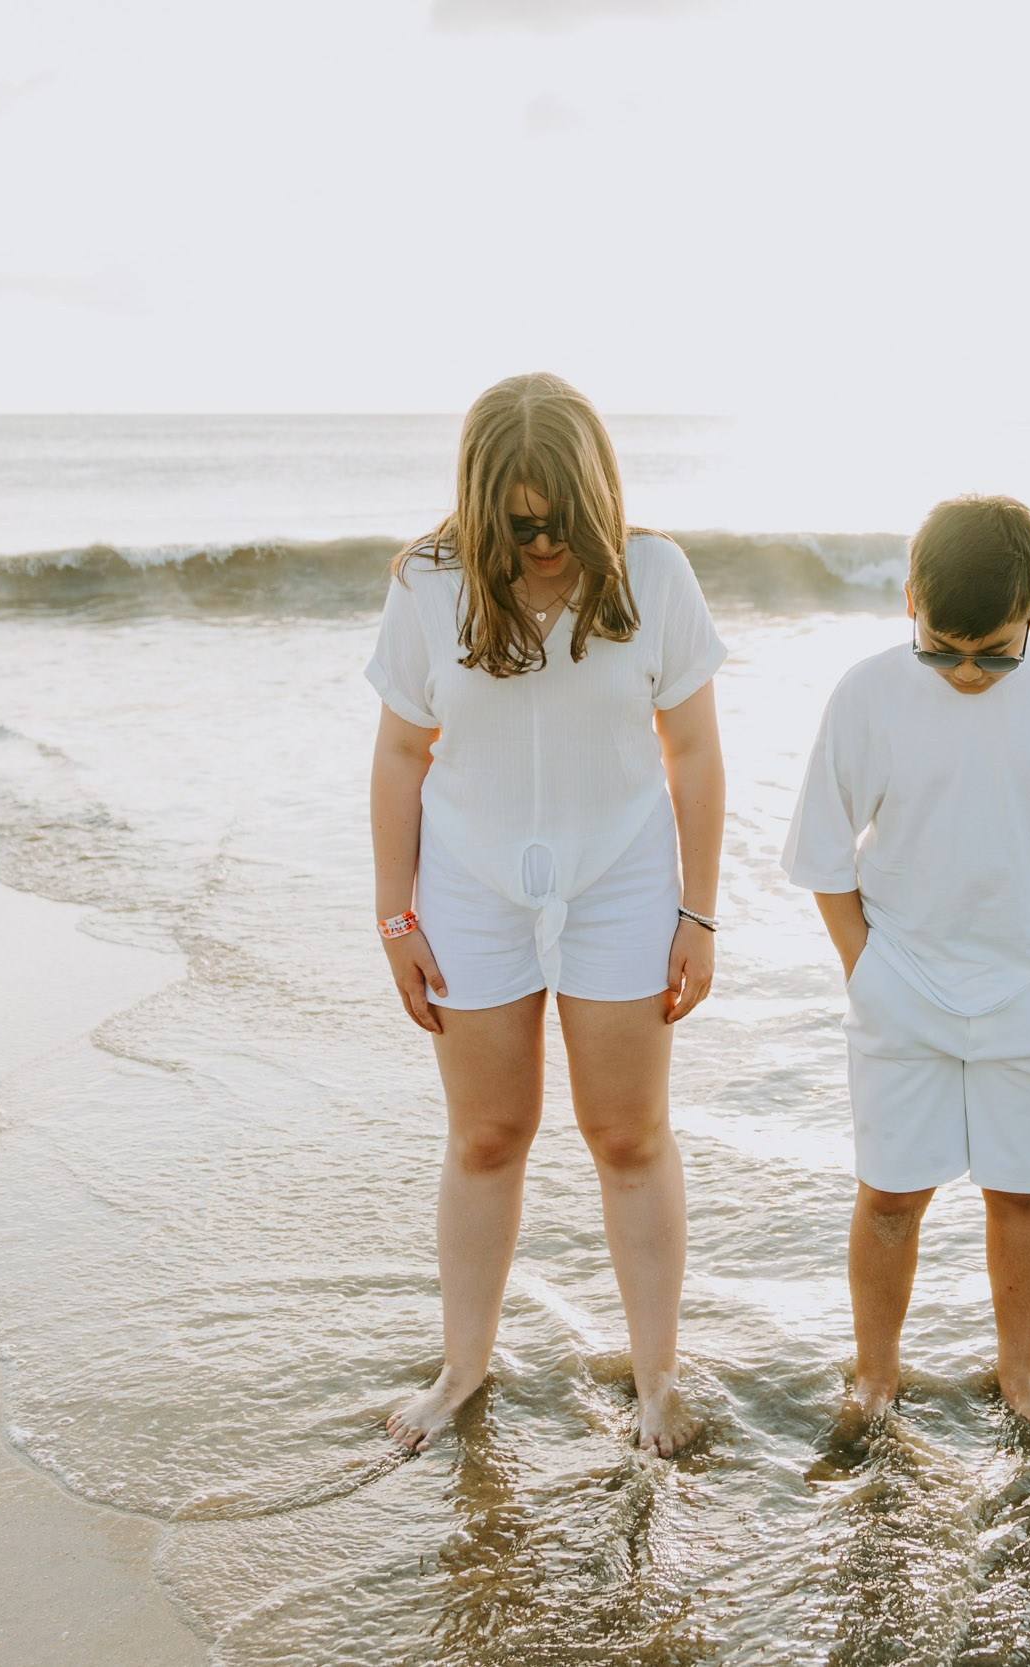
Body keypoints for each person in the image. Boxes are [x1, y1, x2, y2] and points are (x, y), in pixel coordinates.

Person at [365, 372, 726, 1456]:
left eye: (564, 520)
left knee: (626, 1132)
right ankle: (462, 1365)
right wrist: (396, 915)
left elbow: (696, 750)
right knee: (487, 1134)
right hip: (469, 878)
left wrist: (697, 914)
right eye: (520, 526)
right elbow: (396, 751)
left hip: (622, 873)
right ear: (481, 509)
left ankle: (655, 1377)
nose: (545, 545)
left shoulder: (653, 575)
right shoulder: (427, 582)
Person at [783, 494, 1030, 1432]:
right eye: (940, 647)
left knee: (1022, 1190)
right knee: (889, 1195)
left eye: (993, 650)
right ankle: (876, 1375)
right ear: (907, 599)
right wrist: (864, 971)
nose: (965, 670)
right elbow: (824, 853)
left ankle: (1019, 1373)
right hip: (900, 983)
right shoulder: (868, 692)